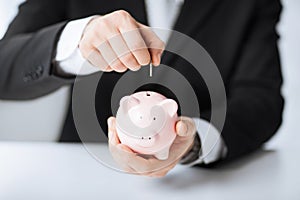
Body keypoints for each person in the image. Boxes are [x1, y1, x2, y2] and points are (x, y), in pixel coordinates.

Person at [0, 0, 284, 177]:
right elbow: (5, 66)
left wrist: (195, 140)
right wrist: (78, 40)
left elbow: (262, 97)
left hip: (201, 183)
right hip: (81, 175)